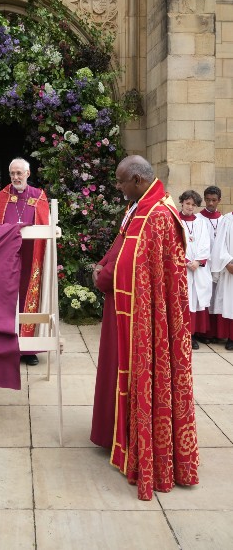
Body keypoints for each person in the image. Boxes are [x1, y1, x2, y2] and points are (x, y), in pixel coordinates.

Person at [91, 155, 198, 501]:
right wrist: (102, 269)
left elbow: (138, 265)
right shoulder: (140, 206)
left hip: (144, 320)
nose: (118, 187)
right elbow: (121, 246)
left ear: (137, 178)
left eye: (122, 181)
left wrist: (104, 276)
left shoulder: (159, 215)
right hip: (123, 308)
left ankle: (143, 443)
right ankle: (119, 434)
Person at [0, 157, 49, 366]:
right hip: (7, 258)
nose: (15, 177)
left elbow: (45, 225)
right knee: (6, 297)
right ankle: (5, 346)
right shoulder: (3, 196)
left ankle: (29, 348)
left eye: (19, 173)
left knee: (28, 296)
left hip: (32, 257)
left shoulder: (39, 196)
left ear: (28, 174)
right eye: (12, 173)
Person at [178, 190, 212, 350]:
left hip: (198, 268)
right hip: (181, 268)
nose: (190, 207)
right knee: (185, 301)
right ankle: (184, 334)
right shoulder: (175, 220)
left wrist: (198, 261)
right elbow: (173, 244)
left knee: (197, 300)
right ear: (182, 203)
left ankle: (194, 333)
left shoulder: (201, 222)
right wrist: (185, 261)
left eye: (193, 204)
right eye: (187, 203)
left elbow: (206, 243)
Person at [198, 186, 224, 344]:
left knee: (218, 298)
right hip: (204, 265)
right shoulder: (198, 218)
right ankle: (204, 333)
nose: (210, 203)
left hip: (220, 265)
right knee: (205, 297)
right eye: (207, 200)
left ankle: (217, 333)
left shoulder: (223, 219)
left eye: (214, 200)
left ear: (219, 200)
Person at [210, 205, 233, 350]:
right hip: (230, 268)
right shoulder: (227, 220)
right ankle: (231, 337)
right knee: (230, 304)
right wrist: (228, 262)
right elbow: (219, 246)